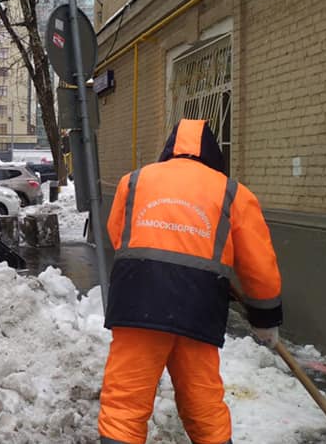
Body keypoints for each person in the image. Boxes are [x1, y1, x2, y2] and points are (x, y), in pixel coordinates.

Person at [98, 119, 283, 444]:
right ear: (213, 155)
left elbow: (119, 235)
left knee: (125, 402)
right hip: (197, 308)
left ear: (169, 149)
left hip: (138, 305)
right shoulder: (233, 192)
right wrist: (265, 317)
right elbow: (259, 265)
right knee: (203, 400)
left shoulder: (135, 181)